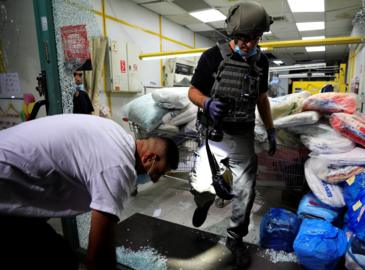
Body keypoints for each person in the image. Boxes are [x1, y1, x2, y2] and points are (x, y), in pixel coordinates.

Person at [0, 114, 179, 269]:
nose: (155, 179)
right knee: (59, 259)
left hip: (12, 168)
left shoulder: (116, 133)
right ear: (148, 157)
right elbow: (97, 258)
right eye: (158, 173)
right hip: (5, 177)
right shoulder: (119, 166)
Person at [187, 1, 276, 268]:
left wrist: (271, 130)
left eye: (254, 38)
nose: (248, 44)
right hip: (213, 131)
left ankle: (235, 240)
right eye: (242, 38)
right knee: (203, 183)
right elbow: (192, 91)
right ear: (232, 35)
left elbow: (262, 99)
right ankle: (203, 201)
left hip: (242, 133)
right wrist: (207, 103)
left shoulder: (261, 62)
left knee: (245, 191)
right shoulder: (212, 57)